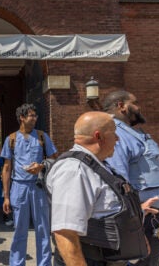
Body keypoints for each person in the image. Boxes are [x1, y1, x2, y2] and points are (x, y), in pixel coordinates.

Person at [47, 111, 148, 266]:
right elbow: (65, 233)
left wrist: (134, 210)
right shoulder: (74, 170)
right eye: (113, 133)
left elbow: (102, 208)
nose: (117, 138)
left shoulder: (97, 165)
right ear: (98, 136)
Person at [103, 90, 159, 266]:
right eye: (135, 102)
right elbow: (117, 181)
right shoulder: (116, 134)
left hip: (152, 218)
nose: (139, 107)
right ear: (121, 106)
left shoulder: (133, 133)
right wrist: (134, 219)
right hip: (139, 221)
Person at [1, 103, 57, 266]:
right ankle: (17, 263)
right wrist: (6, 196)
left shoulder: (42, 136)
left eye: (35, 115)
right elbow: (6, 167)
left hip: (39, 186)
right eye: (31, 115)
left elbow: (55, 158)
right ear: (22, 118)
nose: (34, 118)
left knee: (43, 229)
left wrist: (41, 166)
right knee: (19, 229)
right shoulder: (11, 139)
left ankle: (44, 263)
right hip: (19, 187)